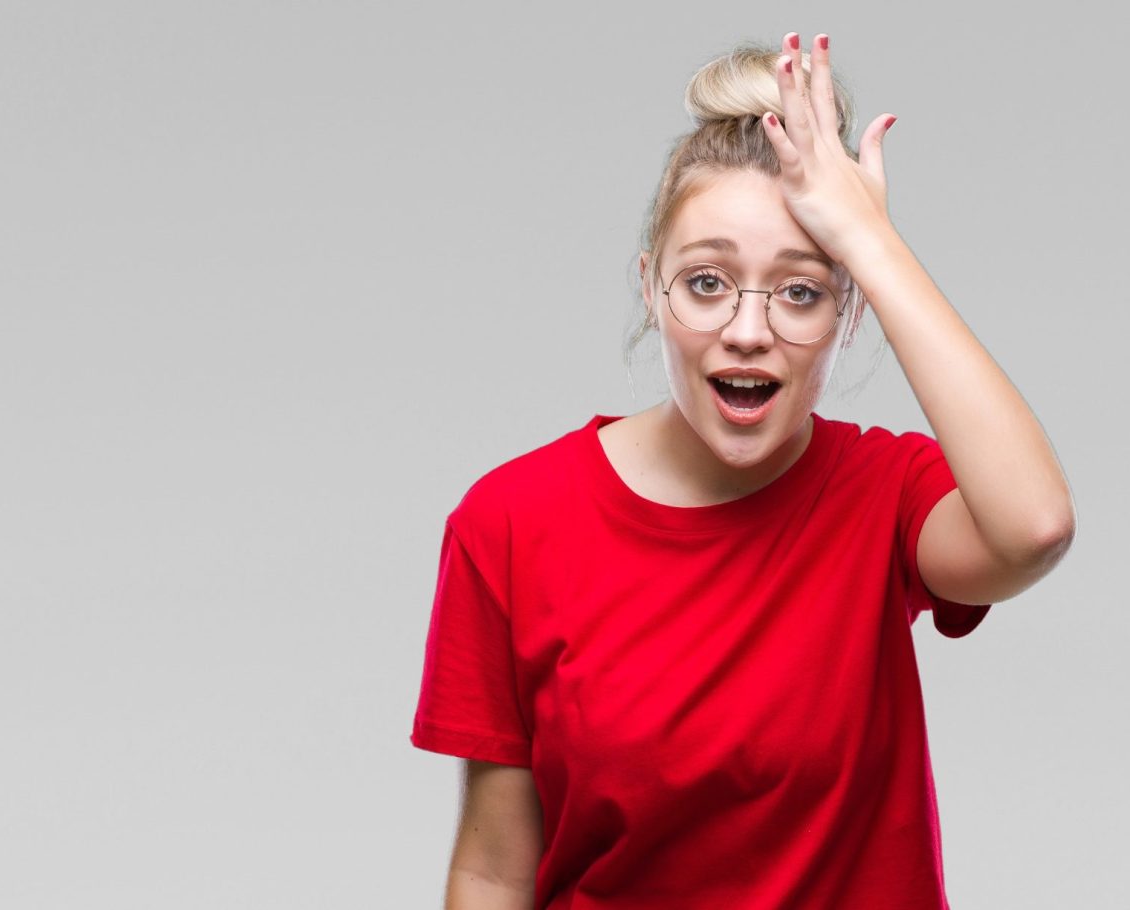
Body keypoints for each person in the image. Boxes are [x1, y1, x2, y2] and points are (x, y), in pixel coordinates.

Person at [409, 32, 1075, 910]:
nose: (749, 329)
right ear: (652, 288)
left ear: (848, 314)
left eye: (801, 290)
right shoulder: (509, 522)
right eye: (708, 282)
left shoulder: (883, 495)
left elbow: (1033, 527)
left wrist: (868, 243)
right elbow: (494, 869)